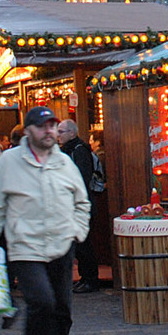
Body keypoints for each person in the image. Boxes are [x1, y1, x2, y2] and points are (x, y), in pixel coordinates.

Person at [0, 106, 91, 335]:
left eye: (53, 126)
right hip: (25, 248)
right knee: (42, 301)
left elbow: (82, 202)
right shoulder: (9, 162)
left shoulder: (64, 162)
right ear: (28, 131)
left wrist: (78, 230)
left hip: (61, 246)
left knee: (62, 309)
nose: (49, 131)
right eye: (42, 126)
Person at [56, 119, 103, 294]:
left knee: (83, 243)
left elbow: (82, 177)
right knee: (78, 243)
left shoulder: (79, 150)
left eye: (61, 131)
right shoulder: (66, 151)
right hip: (72, 204)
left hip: (81, 204)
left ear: (72, 133)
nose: (58, 135)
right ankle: (86, 278)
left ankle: (91, 279)